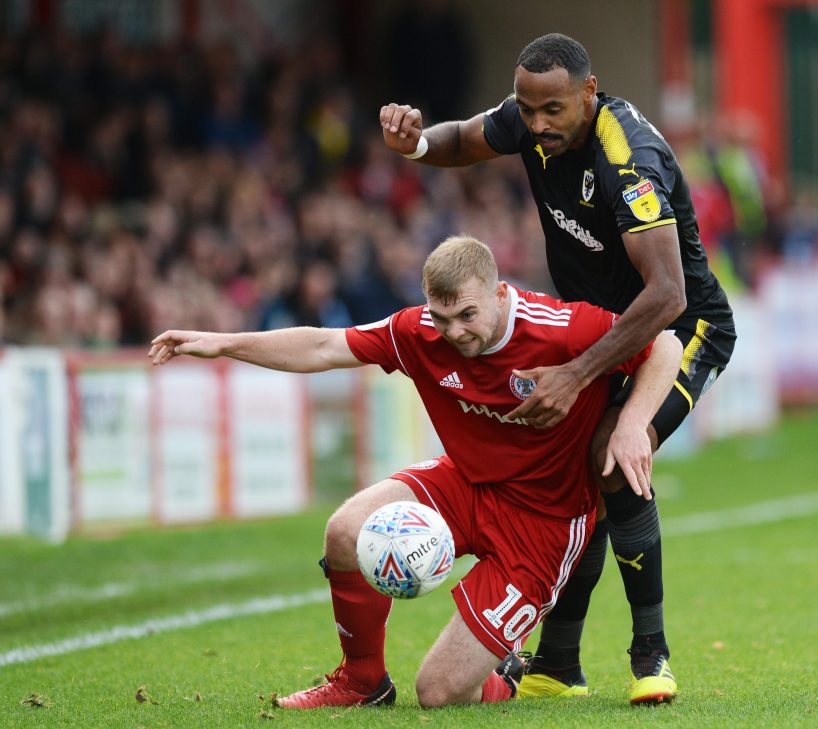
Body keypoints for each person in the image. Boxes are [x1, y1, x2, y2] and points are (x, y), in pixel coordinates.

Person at [148, 235, 681, 709]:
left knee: (439, 692)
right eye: (442, 317)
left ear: (499, 295)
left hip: (543, 523)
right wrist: (222, 343)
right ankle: (362, 682)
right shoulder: (417, 331)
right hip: (465, 483)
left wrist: (633, 422)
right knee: (345, 530)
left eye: (467, 316)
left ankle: (507, 675)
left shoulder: (561, 329)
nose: (453, 332)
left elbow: (664, 344)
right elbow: (323, 345)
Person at [380, 33, 737, 704]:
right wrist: (418, 144)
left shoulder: (629, 163)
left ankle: (650, 653)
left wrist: (581, 380)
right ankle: (559, 664)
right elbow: (463, 139)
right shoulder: (531, 116)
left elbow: (667, 295)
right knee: (574, 467)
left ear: (589, 92)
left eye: (553, 111)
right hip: (608, 329)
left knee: (610, 455)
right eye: (528, 109)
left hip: (683, 331)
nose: (537, 126)